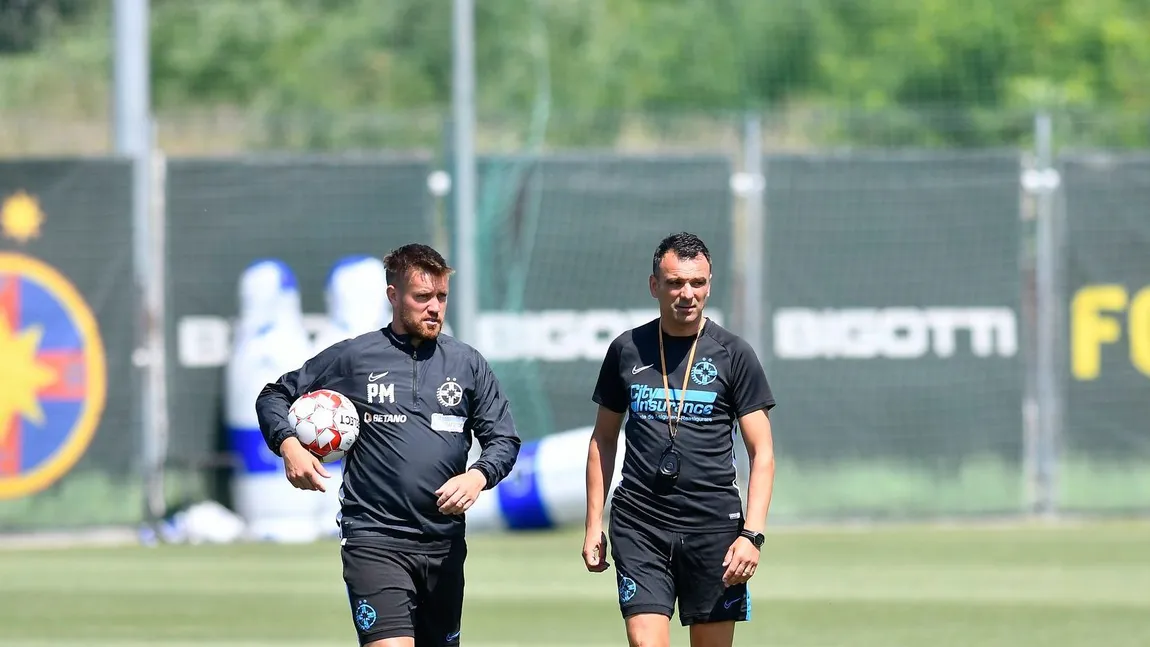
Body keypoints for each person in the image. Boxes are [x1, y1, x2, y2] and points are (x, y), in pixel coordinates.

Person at [255, 243, 521, 647]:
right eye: (422, 297)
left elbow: (503, 438)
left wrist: (477, 476)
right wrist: (289, 445)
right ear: (393, 295)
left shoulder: (467, 364)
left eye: (441, 297)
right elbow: (273, 395)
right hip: (374, 539)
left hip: (444, 544)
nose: (435, 307)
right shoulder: (355, 358)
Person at [582, 232, 777, 647]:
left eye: (697, 283)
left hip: (714, 529)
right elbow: (602, 440)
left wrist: (752, 535)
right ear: (655, 285)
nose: (687, 293)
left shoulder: (733, 353)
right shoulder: (626, 349)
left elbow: (763, 454)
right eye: (675, 283)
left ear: (709, 283)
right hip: (640, 523)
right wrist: (592, 524)